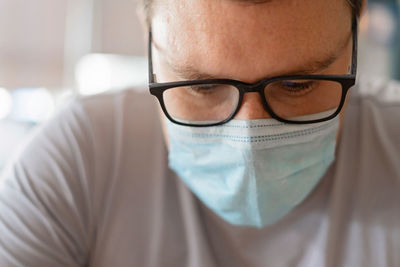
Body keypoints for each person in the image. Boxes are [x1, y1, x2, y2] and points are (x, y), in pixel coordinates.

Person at [1, 0, 399, 266]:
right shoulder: (79, 159)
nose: (250, 138)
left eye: (297, 85)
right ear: (148, 33)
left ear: (357, 26)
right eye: (203, 86)